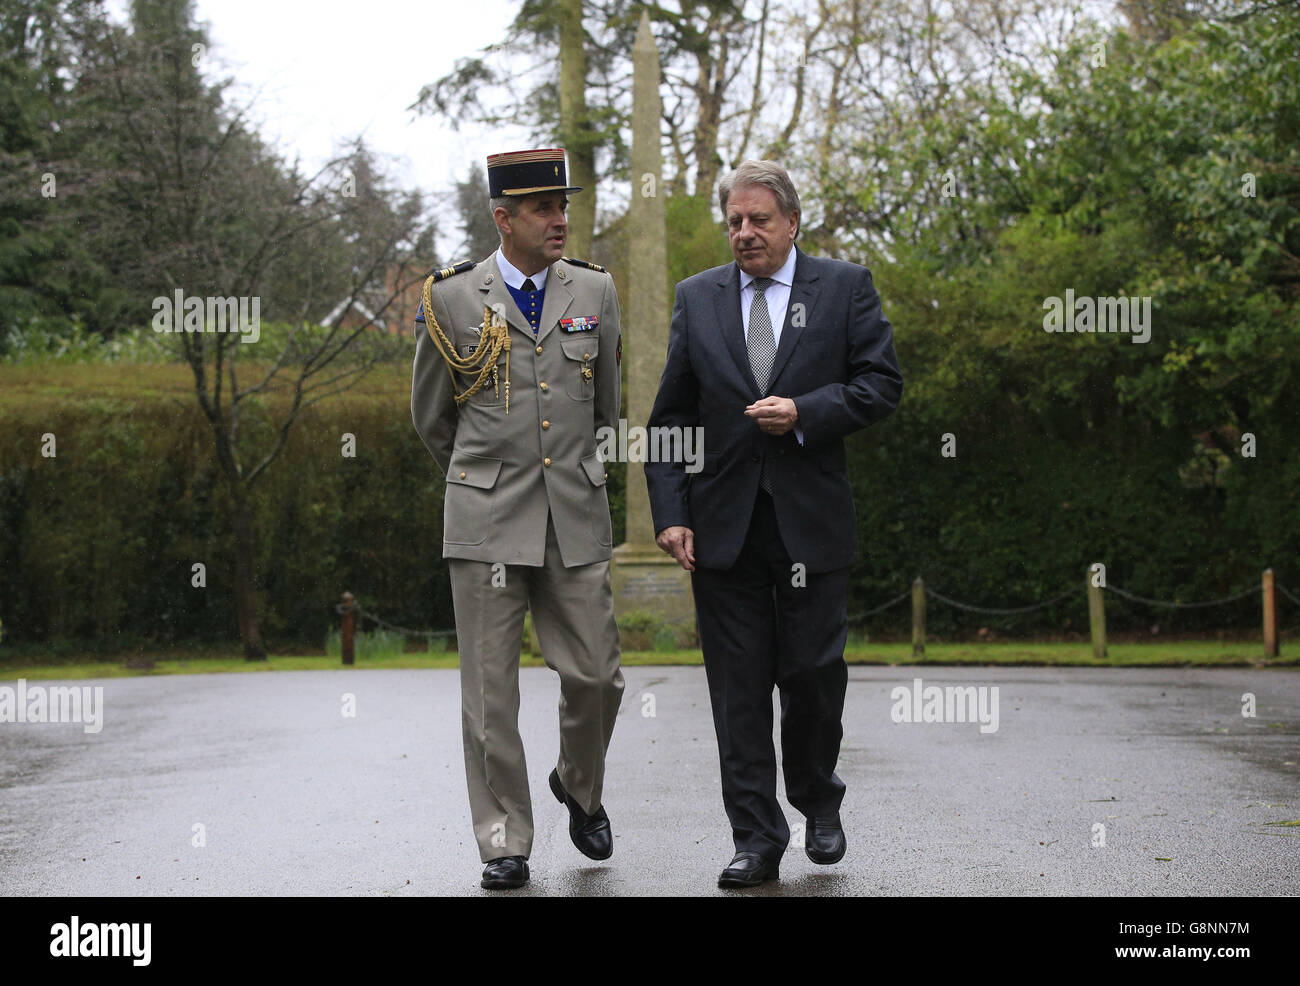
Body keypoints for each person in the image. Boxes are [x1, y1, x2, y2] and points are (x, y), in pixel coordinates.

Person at [644, 159, 903, 888]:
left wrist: (806, 413)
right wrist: (670, 515)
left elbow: (882, 385)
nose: (745, 232)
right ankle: (757, 839)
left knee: (814, 677)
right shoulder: (698, 299)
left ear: (791, 222)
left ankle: (819, 801)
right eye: (734, 221)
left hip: (810, 526)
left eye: (759, 219)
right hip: (722, 531)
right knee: (738, 690)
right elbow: (671, 420)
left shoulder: (844, 289)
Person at [410, 148, 625, 890]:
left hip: (574, 510)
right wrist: (483, 476)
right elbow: (431, 417)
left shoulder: (594, 289)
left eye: (562, 205)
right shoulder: (450, 300)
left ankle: (579, 783)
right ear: (503, 219)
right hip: (486, 517)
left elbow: (608, 409)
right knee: (490, 694)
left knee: (598, 677)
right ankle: (504, 839)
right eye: (541, 208)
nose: (559, 219)